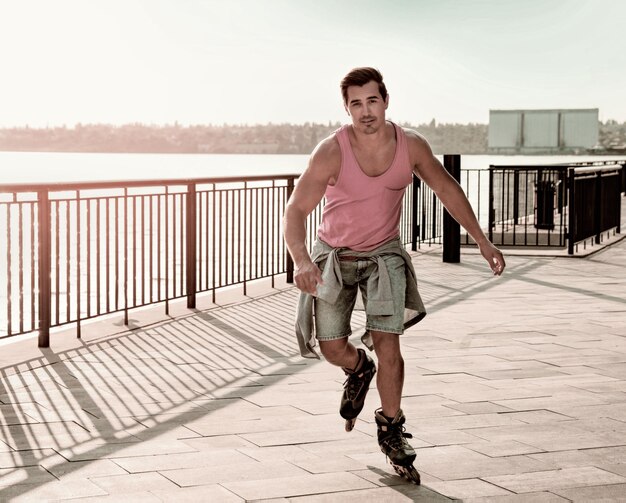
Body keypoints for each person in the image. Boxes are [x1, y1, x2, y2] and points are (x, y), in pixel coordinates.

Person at [283, 67, 505, 483]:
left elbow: (447, 189)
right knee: (331, 347)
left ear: (386, 101)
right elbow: (295, 210)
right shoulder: (331, 151)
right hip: (333, 256)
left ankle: (391, 427)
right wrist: (301, 260)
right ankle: (356, 368)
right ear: (346, 108)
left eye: (372, 101)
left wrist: (483, 240)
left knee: (390, 343)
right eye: (355, 104)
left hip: (384, 256)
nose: (365, 111)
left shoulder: (412, 146)